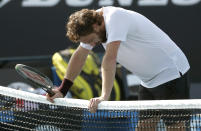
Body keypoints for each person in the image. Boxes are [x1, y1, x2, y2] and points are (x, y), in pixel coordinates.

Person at [46, 6, 190, 130]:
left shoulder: (115, 18)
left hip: (171, 73)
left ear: (96, 26)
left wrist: (104, 97)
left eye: (91, 40)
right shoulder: (92, 25)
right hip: (148, 80)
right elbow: (80, 56)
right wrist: (62, 90)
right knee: (144, 127)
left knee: (175, 127)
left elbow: (110, 59)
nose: (92, 44)